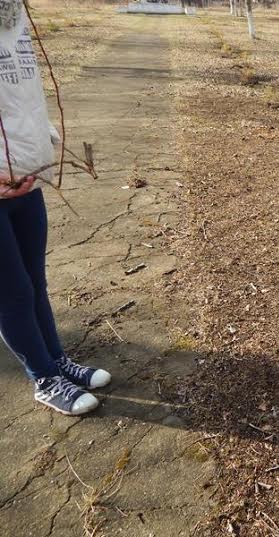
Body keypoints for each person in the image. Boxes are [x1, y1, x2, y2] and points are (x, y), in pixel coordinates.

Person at [1, 1, 110, 416]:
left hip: (25, 175)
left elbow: (23, 93)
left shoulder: (13, 16)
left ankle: (57, 362)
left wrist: (40, 142)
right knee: (13, 294)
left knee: (36, 283)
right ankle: (43, 378)